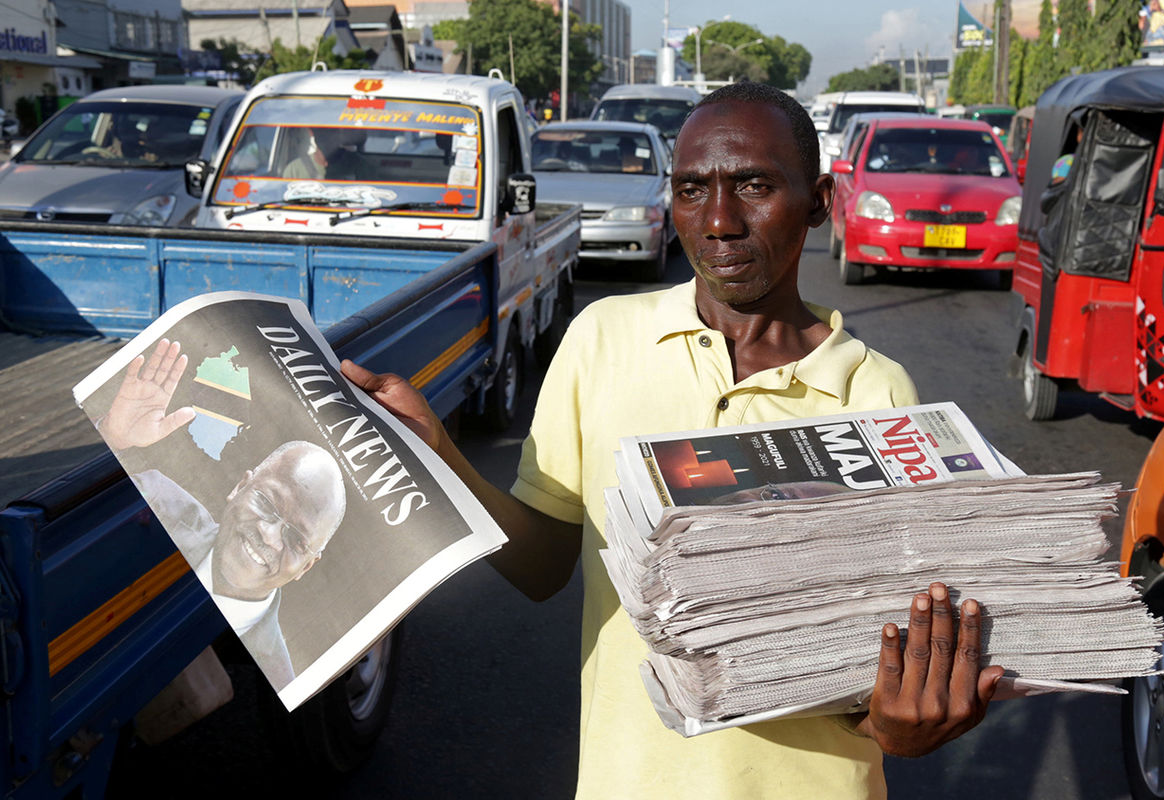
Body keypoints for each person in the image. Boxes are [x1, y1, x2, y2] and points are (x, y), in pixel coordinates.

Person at [342, 82, 1002, 799]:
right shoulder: (602, 339)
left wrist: (899, 728)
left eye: (753, 185)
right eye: (692, 190)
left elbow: (897, 665)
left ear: (818, 200)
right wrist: (440, 453)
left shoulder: (880, 395)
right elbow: (542, 567)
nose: (718, 220)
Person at [98, 338, 347, 689]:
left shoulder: (283, 678)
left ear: (306, 567)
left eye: (295, 538)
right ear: (238, 488)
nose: (270, 535)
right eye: (267, 503)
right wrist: (113, 437)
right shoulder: (158, 500)